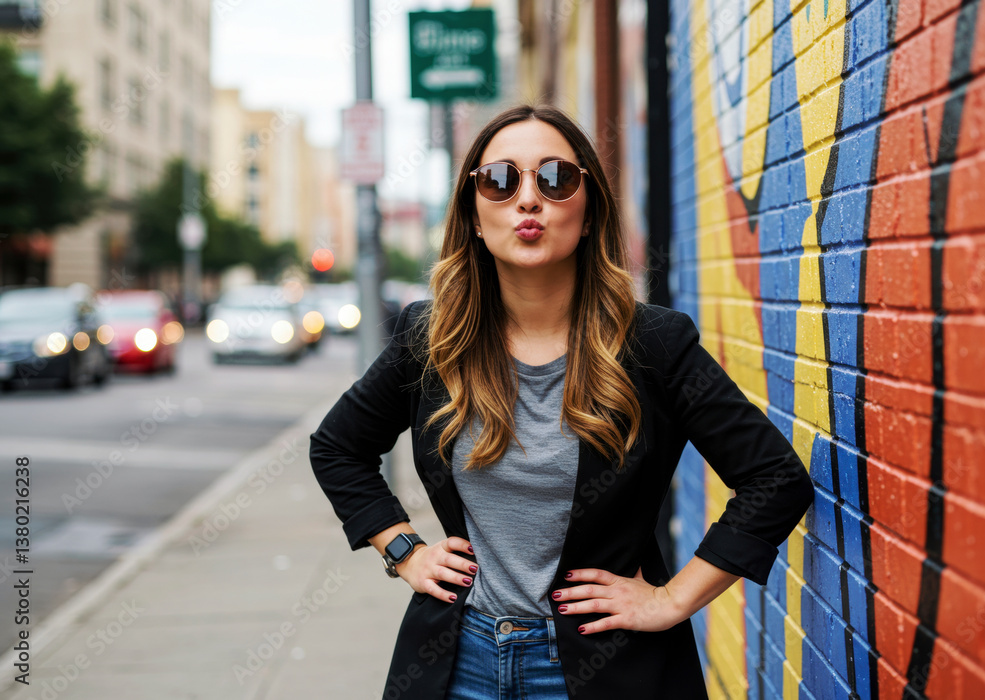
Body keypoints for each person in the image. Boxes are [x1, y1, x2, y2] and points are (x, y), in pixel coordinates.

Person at [309, 104, 814, 700]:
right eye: (500, 181)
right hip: (458, 665)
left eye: (555, 179)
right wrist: (403, 549)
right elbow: (337, 447)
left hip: (607, 672)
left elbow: (775, 480)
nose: (528, 199)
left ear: (589, 209)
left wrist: (673, 600)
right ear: (473, 215)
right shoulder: (432, 340)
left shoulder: (653, 344)